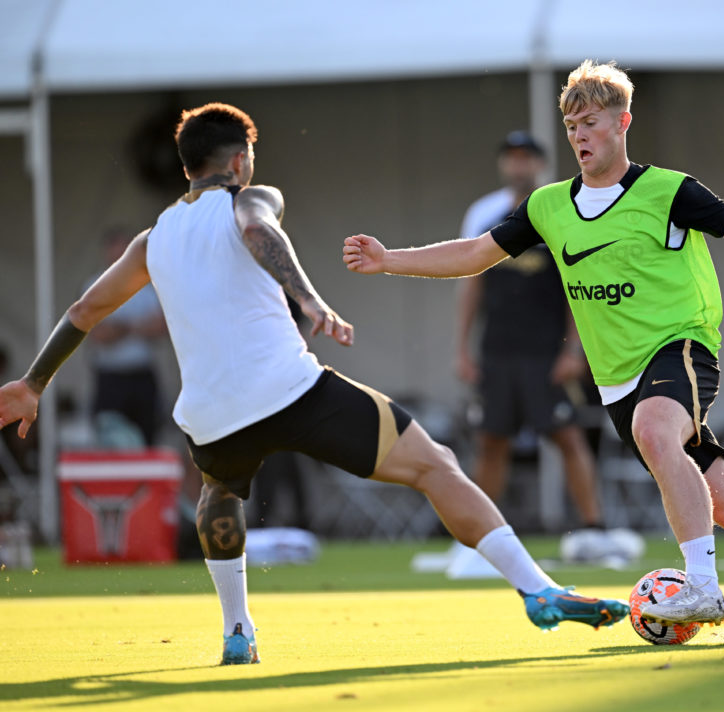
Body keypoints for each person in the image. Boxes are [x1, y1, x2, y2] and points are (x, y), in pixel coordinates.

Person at [0, 102, 628, 665]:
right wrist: (310, 299)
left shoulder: (152, 238)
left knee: (220, 491)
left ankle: (237, 630)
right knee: (434, 464)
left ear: (184, 166)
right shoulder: (251, 195)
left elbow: (84, 310)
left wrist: (33, 381)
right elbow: (257, 229)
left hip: (212, 414)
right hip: (290, 389)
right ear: (240, 159)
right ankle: (538, 589)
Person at [344, 60, 724, 638]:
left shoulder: (668, 191)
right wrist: (389, 261)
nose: (579, 136)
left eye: (590, 123)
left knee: (656, 432)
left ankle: (703, 589)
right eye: (571, 126)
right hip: (618, 380)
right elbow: (473, 254)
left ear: (623, 123)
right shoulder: (549, 206)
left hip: (682, 347)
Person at [455, 130, 610, 557]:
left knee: (566, 435)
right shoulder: (484, 213)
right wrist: (462, 349)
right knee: (491, 440)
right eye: (511, 157)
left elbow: (579, 286)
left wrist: (573, 350)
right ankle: (480, 538)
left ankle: (594, 527)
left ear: (540, 164)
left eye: (526, 158)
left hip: (547, 350)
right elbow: (471, 283)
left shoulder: (562, 208)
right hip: (497, 349)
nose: (518, 165)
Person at [85, 227, 167, 446]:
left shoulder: (148, 285)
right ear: (107, 251)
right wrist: (137, 326)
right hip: (111, 376)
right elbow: (99, 333)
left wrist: (120, 327)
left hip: (141, 375)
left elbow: (162, 327)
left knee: (147, 438)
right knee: (110, 441)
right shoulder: (94, 287)